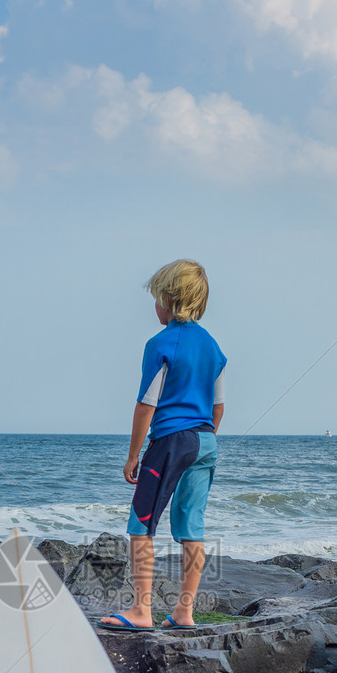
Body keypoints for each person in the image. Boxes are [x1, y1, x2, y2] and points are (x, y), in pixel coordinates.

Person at [101, 259, 226, 631]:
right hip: (205, 440)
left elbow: (146, 404)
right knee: (192, 528)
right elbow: (219, 405)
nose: (154, 305)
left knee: (141, 525)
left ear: (170, 299)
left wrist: (133, 455)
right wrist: (202, 440)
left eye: (157, 298)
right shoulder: (213, 346)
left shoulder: (160, 344)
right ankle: (184, 612)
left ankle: (142, 611)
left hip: (171, 439)